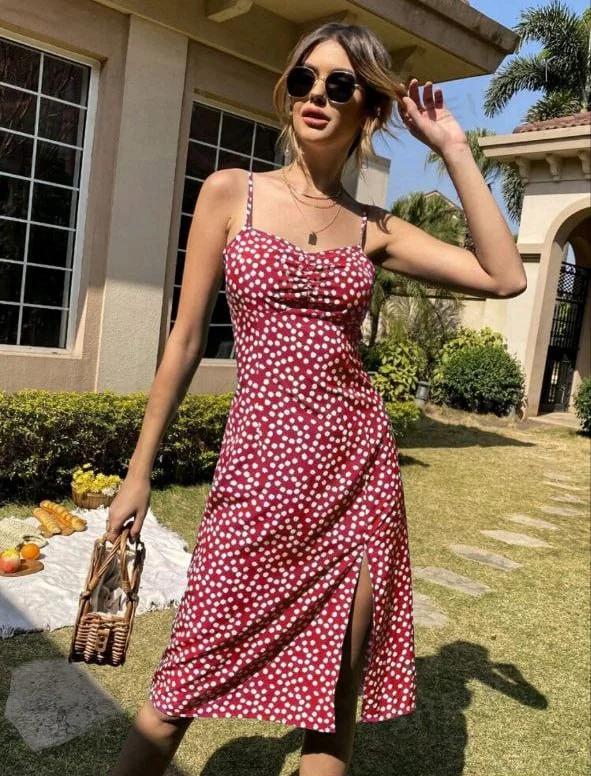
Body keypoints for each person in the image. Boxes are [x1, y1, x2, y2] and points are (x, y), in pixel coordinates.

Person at [105, 21, 527, 776]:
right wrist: (139, 475)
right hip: (255, 481)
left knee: (330, 709)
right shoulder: (232, 194)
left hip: (355, 483)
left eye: (340, 85)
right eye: (304, 78)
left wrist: (453, 149)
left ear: (368, 109)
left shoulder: (375, 229)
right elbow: (184, 341)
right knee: (175, 693)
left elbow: (504, 276)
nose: (317, 95)